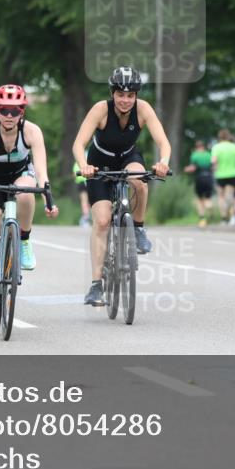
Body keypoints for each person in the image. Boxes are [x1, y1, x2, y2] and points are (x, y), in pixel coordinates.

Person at [72, 66, 171, 307]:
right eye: (120, 95)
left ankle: (137, 228)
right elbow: (78, 144)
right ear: (112, 93)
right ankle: (96, 285)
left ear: (136, 95)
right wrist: (84, 165)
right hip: (99, 164)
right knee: (103, 221)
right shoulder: (100, 110)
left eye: (130, 95)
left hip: (128, 157)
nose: (125, 100)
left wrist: (163, 163)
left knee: (139, 180)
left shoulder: (144, 109)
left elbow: (163, 142)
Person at [0, 84, 58, 320]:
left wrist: (48, 198)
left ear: (22, 112)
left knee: (26, 190)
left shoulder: (32, 132)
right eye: (4, 110)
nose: (9, 116)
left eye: (14, 111)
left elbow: (42, 171)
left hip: (20, 176)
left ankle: (24, 240)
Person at [212, 129, 235, 226]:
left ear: (219, 137)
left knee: (221, 197)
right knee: (230, 196)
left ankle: (224, 218)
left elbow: (214, 161)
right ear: (229, 136)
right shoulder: (234, 146)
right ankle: (233, 217)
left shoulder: (216, 147)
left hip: (220, 175)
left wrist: (215, 168)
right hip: (233, 174)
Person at [184, 139, 214, 228]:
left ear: (196, 147)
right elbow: (213, 167)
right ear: (203, 147)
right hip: (209, 178)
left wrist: (187, 169)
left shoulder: (195, 155)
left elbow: (193, 168)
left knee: (200, 199)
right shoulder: (209, 155)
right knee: (208, 198)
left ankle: (202, 218)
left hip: (199, 178)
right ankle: (210, 207)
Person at [72, 162, 91, 227]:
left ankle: (86, 218)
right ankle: (90, 217)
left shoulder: (76, 163)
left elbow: (75, 175)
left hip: (81, 182)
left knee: (84, 201)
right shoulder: (89, 159)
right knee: (90, 201)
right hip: (89, 180)